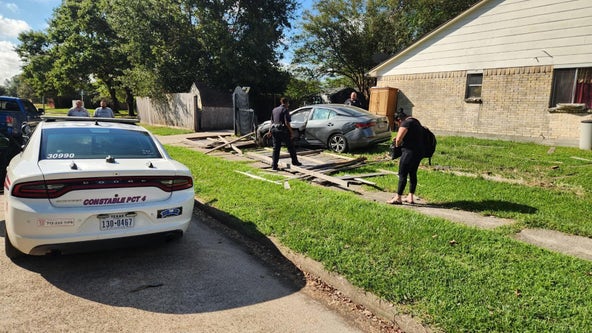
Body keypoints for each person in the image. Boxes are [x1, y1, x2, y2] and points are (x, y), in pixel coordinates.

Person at [387, 109, 424, 205]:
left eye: (397, 123)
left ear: (399, 119)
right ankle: (410, 196)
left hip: (408, 152)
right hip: (418, 152)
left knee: (402, 174)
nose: (398, 125)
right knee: (413, 173)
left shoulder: (405, 123)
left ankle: (398, 197)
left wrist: (397, 143)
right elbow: (412, 137)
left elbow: (398, 139)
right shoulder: (416, 122)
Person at [268, 97, 302, 170]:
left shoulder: (274, 109)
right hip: (282, 130)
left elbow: (272, 122)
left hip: (274, 130)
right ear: (286, 103)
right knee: (291, 146)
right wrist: (291, 132)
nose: (288, 105)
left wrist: (269, 131)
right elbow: (287, 122)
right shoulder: (285, 110)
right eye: (288, 103)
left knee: (276, 148)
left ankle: (274, 165)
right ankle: (295, 162)